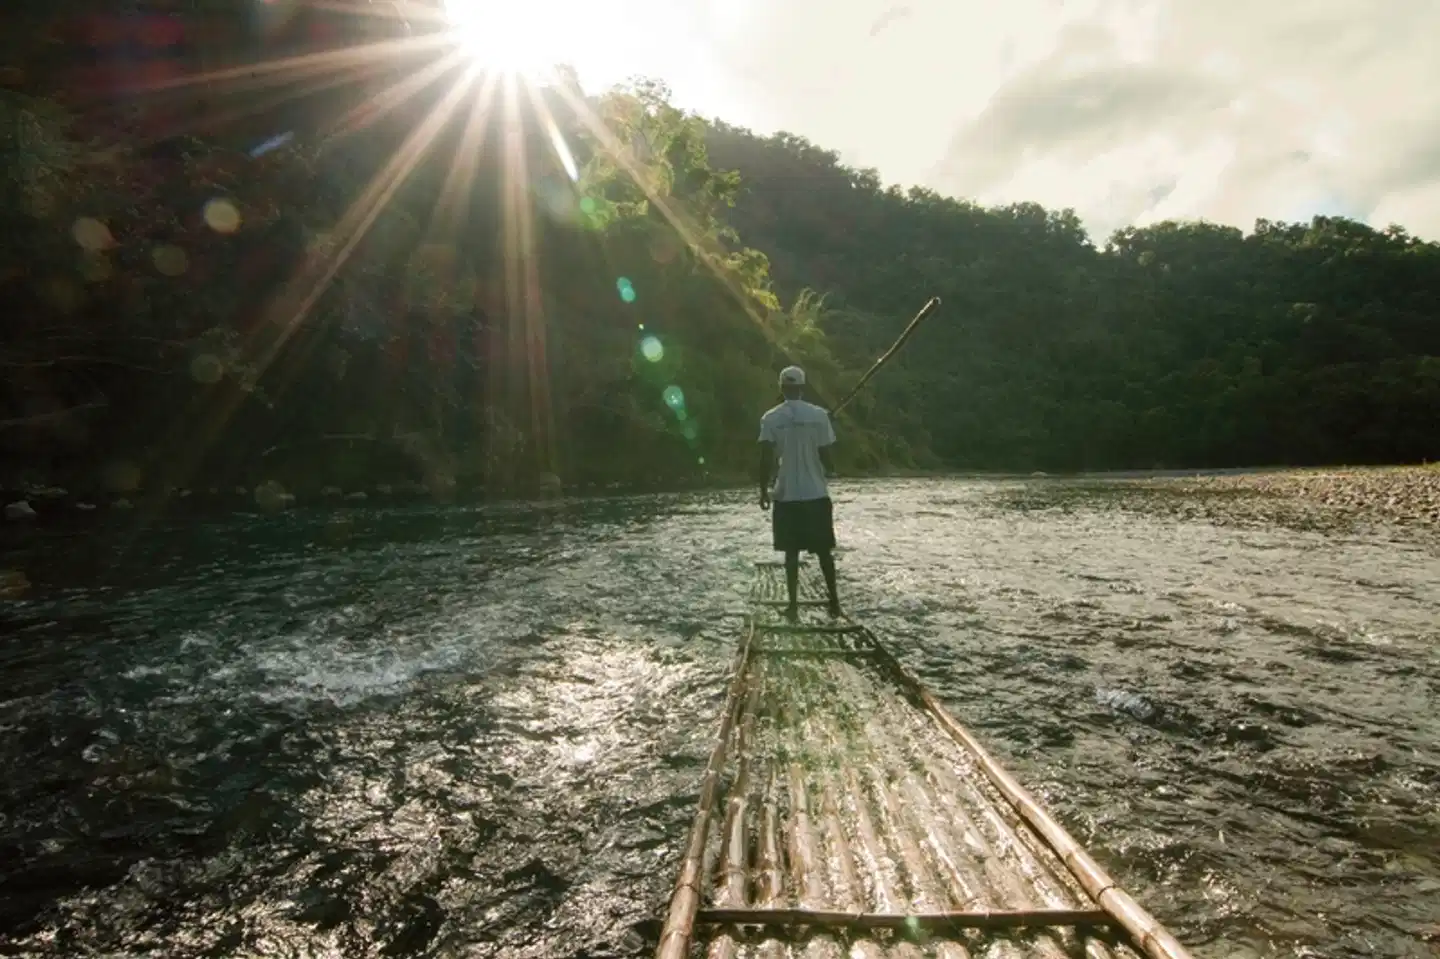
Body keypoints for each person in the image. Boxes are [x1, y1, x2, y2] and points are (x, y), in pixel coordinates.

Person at [758, 365, 841, 619]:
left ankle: (793, 607)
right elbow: (828, 458)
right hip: (816, 493)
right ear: (803, 387)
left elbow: (765, 458)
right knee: (824, 552)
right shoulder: (819, 416)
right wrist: (831, 467)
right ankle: (834, 603)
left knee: (791, 553)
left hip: (786, 495)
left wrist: (763, 490)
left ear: (781, 388)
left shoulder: (770, 418)